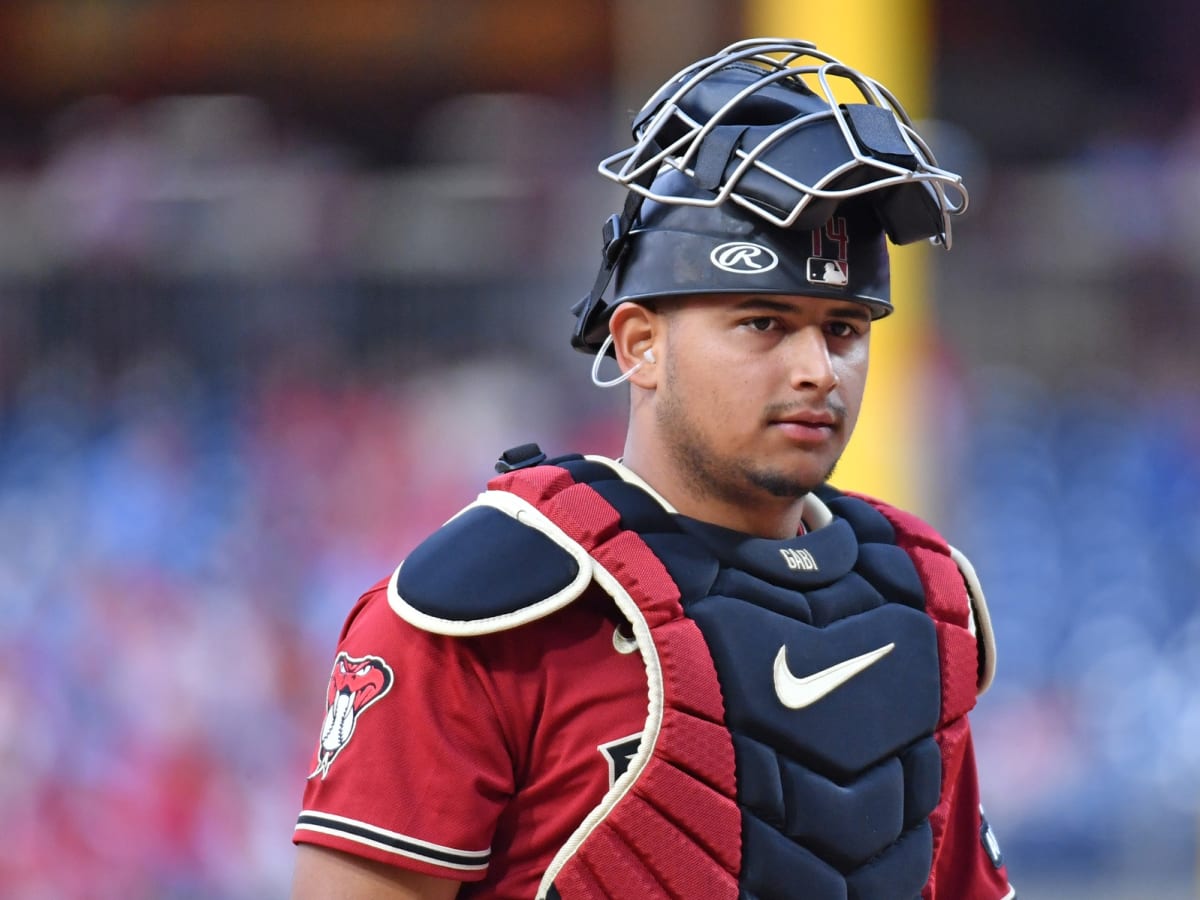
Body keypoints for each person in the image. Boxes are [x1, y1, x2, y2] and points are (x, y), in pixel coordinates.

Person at [289, 38, 1015, 900]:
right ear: (640, 345)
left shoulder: (918, 603)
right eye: (764, 323)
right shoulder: (485, 608)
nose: (819, 368)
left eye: (844, 329)